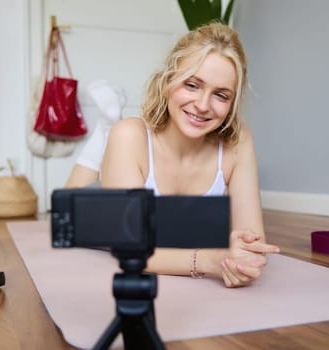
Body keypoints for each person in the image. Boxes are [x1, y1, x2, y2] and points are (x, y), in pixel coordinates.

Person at [101, 22, 279, 288]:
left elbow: (252, 242)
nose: (203, 105)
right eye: (193, 85)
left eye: (221, 94)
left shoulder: (238, 142)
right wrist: (209, 260)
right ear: (167, 81)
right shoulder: (129, 136)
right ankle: (98, 142)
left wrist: (240, 260)